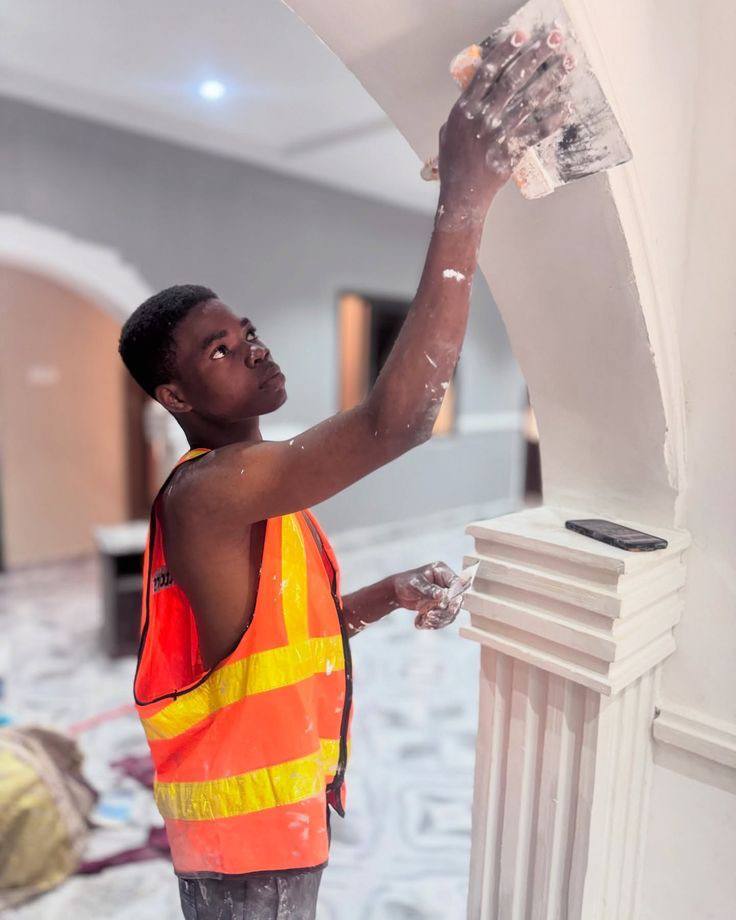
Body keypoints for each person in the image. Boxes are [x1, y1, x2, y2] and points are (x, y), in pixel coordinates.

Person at [118, 26, 571, 920]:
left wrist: (385, 595)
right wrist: (465, 199)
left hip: (270, 824)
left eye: (246, 331)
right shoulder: (211, 491)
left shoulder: (257, 485)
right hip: (245, 850)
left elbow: (277, 645)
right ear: (175, 394)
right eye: (219, 349)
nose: (252, 347)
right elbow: (394, 422)